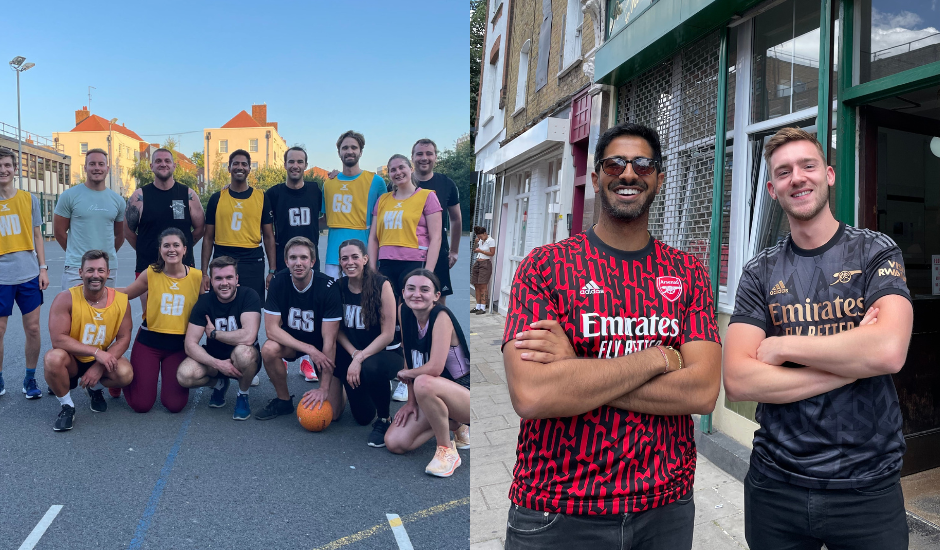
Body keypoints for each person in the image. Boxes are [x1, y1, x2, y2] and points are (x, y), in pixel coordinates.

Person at [500, 122, 722, 548]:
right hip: (558, 507)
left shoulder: (687, 272)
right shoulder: (545, 267)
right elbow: (533, 395)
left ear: (658, 177)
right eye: (615, 163)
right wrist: (661, 358)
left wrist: (574, 372)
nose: (628, 173)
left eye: (642, 163)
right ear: (599, 175)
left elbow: (702, 392)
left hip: (665, 508)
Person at [723, 127, 913, 550]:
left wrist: (783, 346)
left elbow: (887, 350)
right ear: (772, 189)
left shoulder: (875, 252)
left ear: (828, 174)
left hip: (868, 486)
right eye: (785, 172)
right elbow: (738, 380)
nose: (798, 177)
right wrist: (850, 366)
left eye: (808, 166)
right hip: (776, 485)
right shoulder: (759, 272)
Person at [384, 269, 470, 478]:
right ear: (403, 292)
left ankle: (447, 450)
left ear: (436, 296)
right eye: (411, 289)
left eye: (425, 289)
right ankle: (453, 425)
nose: (417, 294)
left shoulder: (441, 316)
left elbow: (435, 368)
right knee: (395, 442)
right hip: (432, 393)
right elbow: (409, 356)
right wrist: (411, 402)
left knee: (423, 380)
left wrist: (407, 373)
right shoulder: (404, 311)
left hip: (464, 394)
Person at [43, 250, 134, 431]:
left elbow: (124, 338)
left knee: (125, 373)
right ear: (80, 273)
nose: (95, 275)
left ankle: (93, 388)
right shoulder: (65, 298)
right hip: (72, 359)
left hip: (99, 358)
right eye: (90, 270)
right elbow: (58, 339)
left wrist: (99, 366)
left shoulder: (121, 301)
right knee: (52, 359)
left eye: (101, 270)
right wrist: (97, 353)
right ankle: (67, 406)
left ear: (108, 273)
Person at [118, 228, 202, 413]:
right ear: (160, 250)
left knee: (174, 405)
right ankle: (118, 381)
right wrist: (97, 291)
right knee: (141, 405)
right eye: (166, 246)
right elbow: (126, 294)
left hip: (179, 345)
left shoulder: (197, 277)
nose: (171, 249)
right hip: (149, 342)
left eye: (176, 245)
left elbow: (207, 308)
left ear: (185, 249)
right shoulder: (151, 273)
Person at [258, 236, 342, 420]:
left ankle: (336, 385)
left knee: (333, 414)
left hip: (322, 347)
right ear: (286, 261)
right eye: (293, 258)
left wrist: (323, 388)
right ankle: (283, 400)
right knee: (269, 349)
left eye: (304, 258)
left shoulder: (328, 287)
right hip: (294, 343)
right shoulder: (278, 282)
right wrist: (308, 350)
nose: (298, 263)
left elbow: (330, 342)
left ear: (312, 261)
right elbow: (271, 330)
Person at [334, 239, 403, 446]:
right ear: (339, 262)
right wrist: (354, 354)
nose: (350, 262)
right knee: (363, 417)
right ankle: (356, 388)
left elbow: (388, 334)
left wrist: (360, 358)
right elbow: (336, 330)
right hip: (355, 352)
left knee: (372, 367)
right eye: (345, 258)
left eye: (355, 257)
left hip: (385, 354)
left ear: (365, 259)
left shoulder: (382, 285)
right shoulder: (338, 287)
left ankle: (384, 419)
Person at [177, 256, 262, 421]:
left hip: (245, 359)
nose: (224, 283)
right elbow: (190, 344)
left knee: (244, 354)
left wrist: (215, 333)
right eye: (219, 278)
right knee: (184, 375)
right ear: (211, 281)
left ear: (237, 279)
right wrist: (218, 364)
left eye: (229, 277)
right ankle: (219, 384)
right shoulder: (204, 302)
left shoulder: (249, 295)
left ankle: (243, 394)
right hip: (215, 360)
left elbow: (248, 336)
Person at [265, 146, 323, 382]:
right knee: (284, 310)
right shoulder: (274, 193)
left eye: (300, 161)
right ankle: (284, 355)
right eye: (291, 161)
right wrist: (271, 268)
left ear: (306, 165)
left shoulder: (315, 190)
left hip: (309, 260)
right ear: (285, 164)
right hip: (284, 260)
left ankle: (306, 359)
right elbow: (268, 233)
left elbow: (328, 215)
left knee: (311, 309)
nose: (295, 165)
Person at [0, 147, 49, 399]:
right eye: (0, 166)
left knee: (33, 329)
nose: (3, 170)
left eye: (7, 165)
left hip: (29, 274)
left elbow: (38, 235)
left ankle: (30, 379)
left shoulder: (30, 200)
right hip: (1, 278)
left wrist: (42, 268)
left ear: (15, 170)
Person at [201, 149, 275, 301]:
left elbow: (268, 237)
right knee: (221, 306)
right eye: (235, 164)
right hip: (222, 255)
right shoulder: (217, 198)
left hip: (252, 259)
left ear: (249, 169)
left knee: (250, 306)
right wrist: (204, 273)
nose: (240, 167)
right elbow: (208, 238)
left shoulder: (261, 197)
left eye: (244, 164)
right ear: (229, 168)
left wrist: (272, 270)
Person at [368, 154, 442, 300]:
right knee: (387, 310)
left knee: (411, 310)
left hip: (414, 262)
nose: (398, 172)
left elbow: (436, 238)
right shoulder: (382, 200)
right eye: (393, 170)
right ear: (389, 174)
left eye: (401, 167)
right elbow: (373, 237)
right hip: (386, 263)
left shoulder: (427, 197)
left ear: (411, 168)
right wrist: (372, 268)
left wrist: (428, 272)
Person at [54, 149, 126, 289]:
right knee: (75, 309)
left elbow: (120, 235)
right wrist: (76, 254)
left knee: (105, 309)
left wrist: (103, 258)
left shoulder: (118, 201)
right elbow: (59, 232)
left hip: (107, 268)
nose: (97, 168)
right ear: (85, 167)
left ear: (107, 168)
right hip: (76, 268)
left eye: (101, 164)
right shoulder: (69, 196)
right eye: (92, 164)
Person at [320, 131, 387, 279]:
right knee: (334, 300)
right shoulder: (329, 183)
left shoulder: (376, 182)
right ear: (339, 152)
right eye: (345, 148)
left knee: (365, 301)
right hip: (334, 257)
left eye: (354, 147)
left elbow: (383, 222)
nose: (349, 151)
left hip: (363, 256)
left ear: (361, 152)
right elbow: (325, 219)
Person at [412, 139, 461, 305]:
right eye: (419, 154)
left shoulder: (447, 184)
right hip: (407, 253)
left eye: (429, 154)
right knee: (406, 302)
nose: (424, 158)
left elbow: (456, 218)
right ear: (412, 157)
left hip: (439, 252)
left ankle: (437, 331)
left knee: (437, 304)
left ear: (436, 158)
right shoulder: (398, 184)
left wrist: (454, 251)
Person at [470, 226, 495, 315]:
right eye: (478, 237)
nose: (480, 238)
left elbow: (492, 253)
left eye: (480, 236)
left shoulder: (491, 240)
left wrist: (481, 251)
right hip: (478, 262)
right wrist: (476, 243)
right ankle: (478, 306)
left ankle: (483, 307)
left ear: (485, 233)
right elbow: (474, 250)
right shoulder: (480, 240)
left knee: (483, 285)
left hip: (485, 263)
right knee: (476, 285)